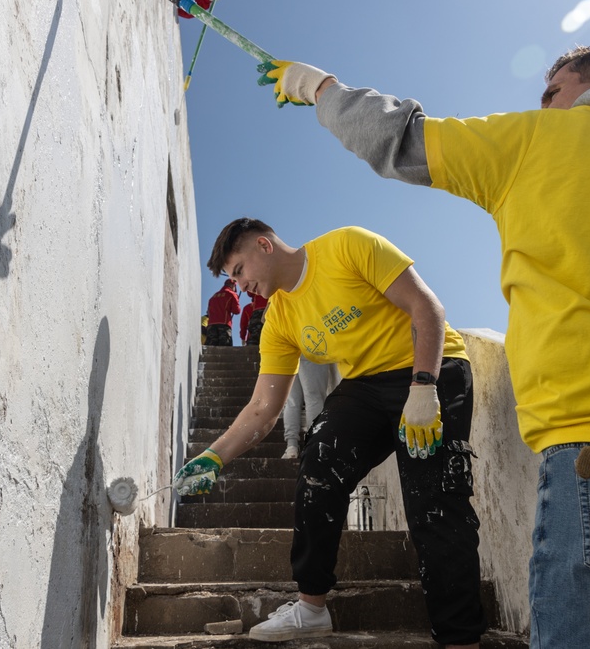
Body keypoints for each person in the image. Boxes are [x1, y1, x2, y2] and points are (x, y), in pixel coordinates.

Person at [257, 41, 590, 647]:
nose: (545, 104)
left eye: (554, 91)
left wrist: (316, 86)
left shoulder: (544, 139)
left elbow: (400, 138)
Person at [173, 219, 486, 647]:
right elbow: (264, 408)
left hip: (430, 366)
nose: (240, 284)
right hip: (366, 385)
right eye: (232, 278)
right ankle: (311, 608)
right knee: (318, 462)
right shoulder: (279, 318)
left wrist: (424, 386)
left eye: (239, 270)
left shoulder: (347, 246)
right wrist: (214, 456)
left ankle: (459, 638)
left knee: (433, 501)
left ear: (264, 245)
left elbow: (425, 307)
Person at [281, 355, 339, 459]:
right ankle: (313, 444)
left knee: (291, 402)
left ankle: (291, 446)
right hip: (311, 350)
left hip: (288, 352)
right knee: (314, 398)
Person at [205, 278, 241, 346]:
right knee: (225, 349)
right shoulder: (232, 294)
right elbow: (237, 310)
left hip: (211, 326)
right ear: (232, 285)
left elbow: (209, 312)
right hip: (224, 325)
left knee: (211, 348)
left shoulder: (213, 297)